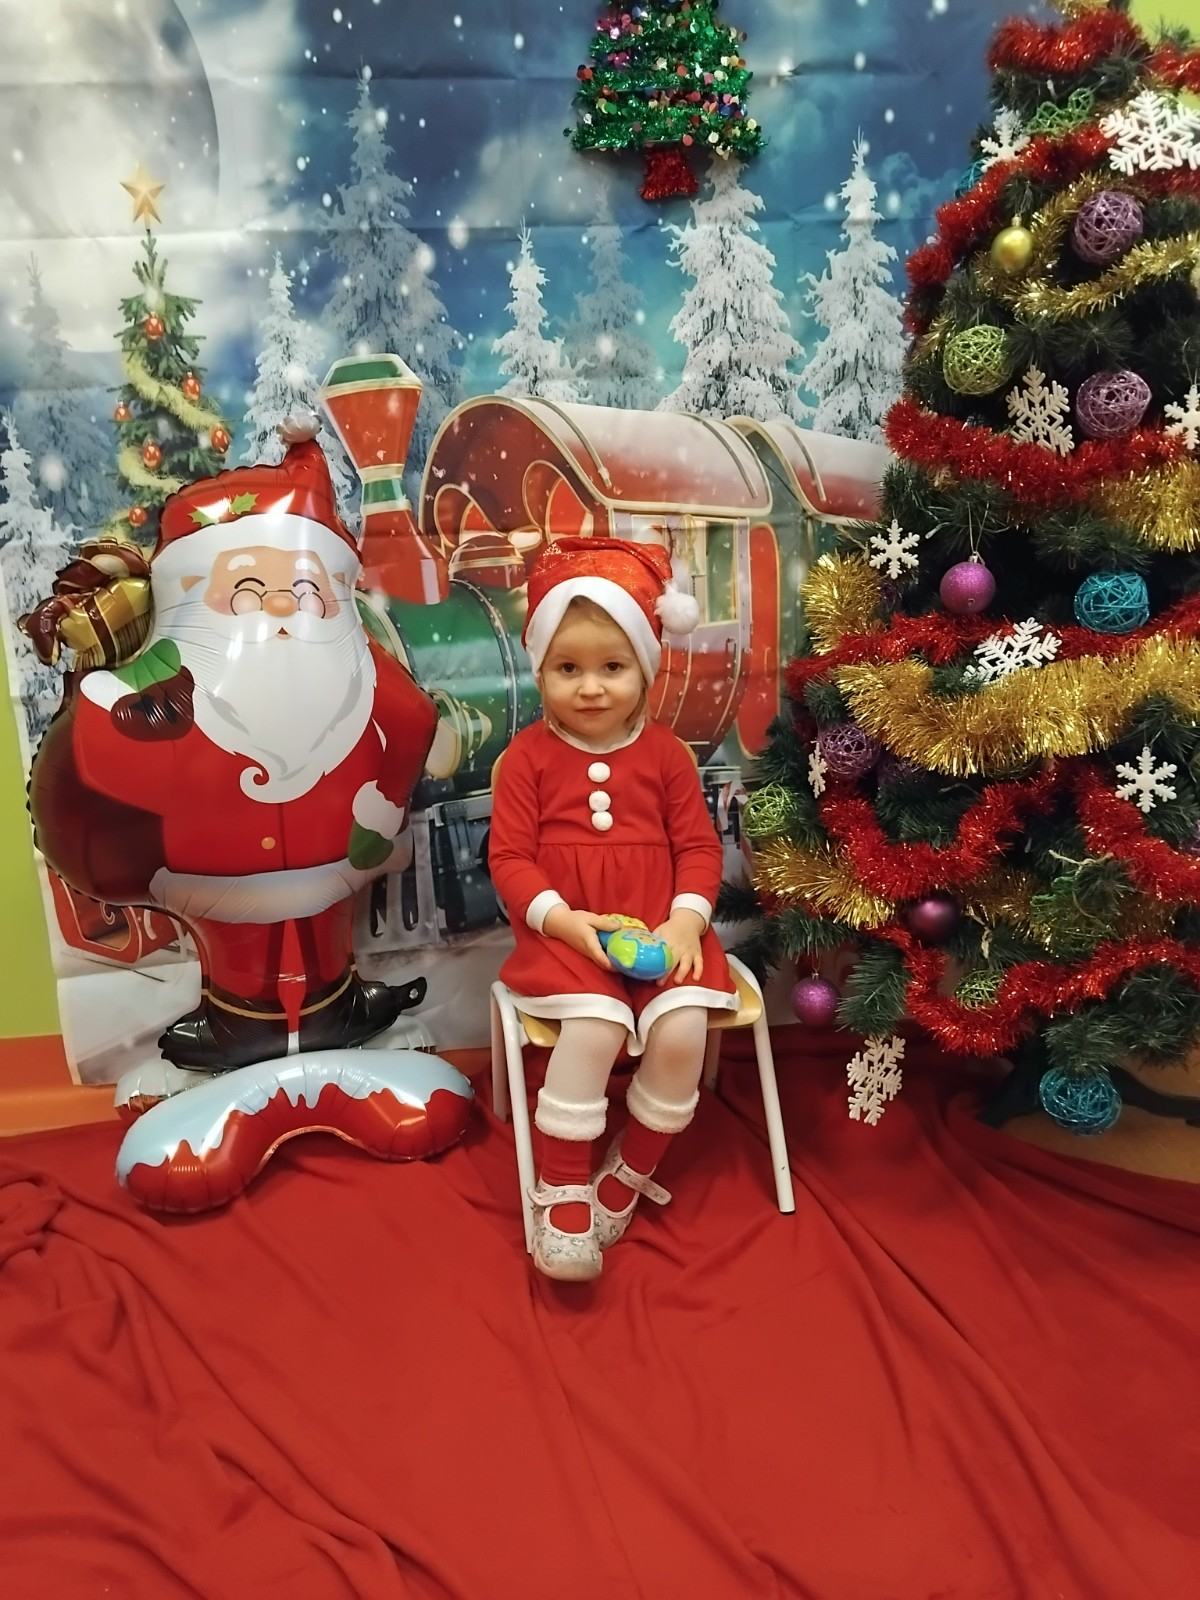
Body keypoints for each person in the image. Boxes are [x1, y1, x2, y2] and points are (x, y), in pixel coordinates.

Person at [40, 414, 439, 1072]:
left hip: (333, 856)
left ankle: (336, 1010)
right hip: (207, 867)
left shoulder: (359, 667)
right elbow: (95, 747)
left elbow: (413, 718)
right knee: (241, 955)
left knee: (322, 943)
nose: (281, 606)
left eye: (303, 589)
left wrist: (381, 812)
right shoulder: (163, 680)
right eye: (249, 590)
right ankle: (238, 1025)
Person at [489, 536, 739, 1281]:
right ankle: (562, 1188)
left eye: (613, 667)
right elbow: (510, 860)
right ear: (540, 669)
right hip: (568, 937)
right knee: (595, 1027)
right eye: (568, 668)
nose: (591, 687)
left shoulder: (665, 756)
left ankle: (631, 1167)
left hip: (662, 928)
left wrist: (686, 921)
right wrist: (566, 922)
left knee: (682, 1028)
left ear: (645, 670)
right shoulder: (527, 759)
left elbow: (699, 849)